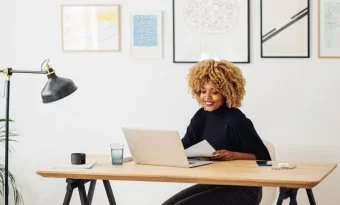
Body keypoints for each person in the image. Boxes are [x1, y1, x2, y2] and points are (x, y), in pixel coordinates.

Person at [162, 59, 271, 205]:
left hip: (244, 189)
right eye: (203, 91)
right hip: (216, 182)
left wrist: (233, 155)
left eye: (214, 92)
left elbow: (265, 159)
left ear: (227, 92)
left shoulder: (235, 120)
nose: (207, 97)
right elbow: (183, 147)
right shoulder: (201, 116)